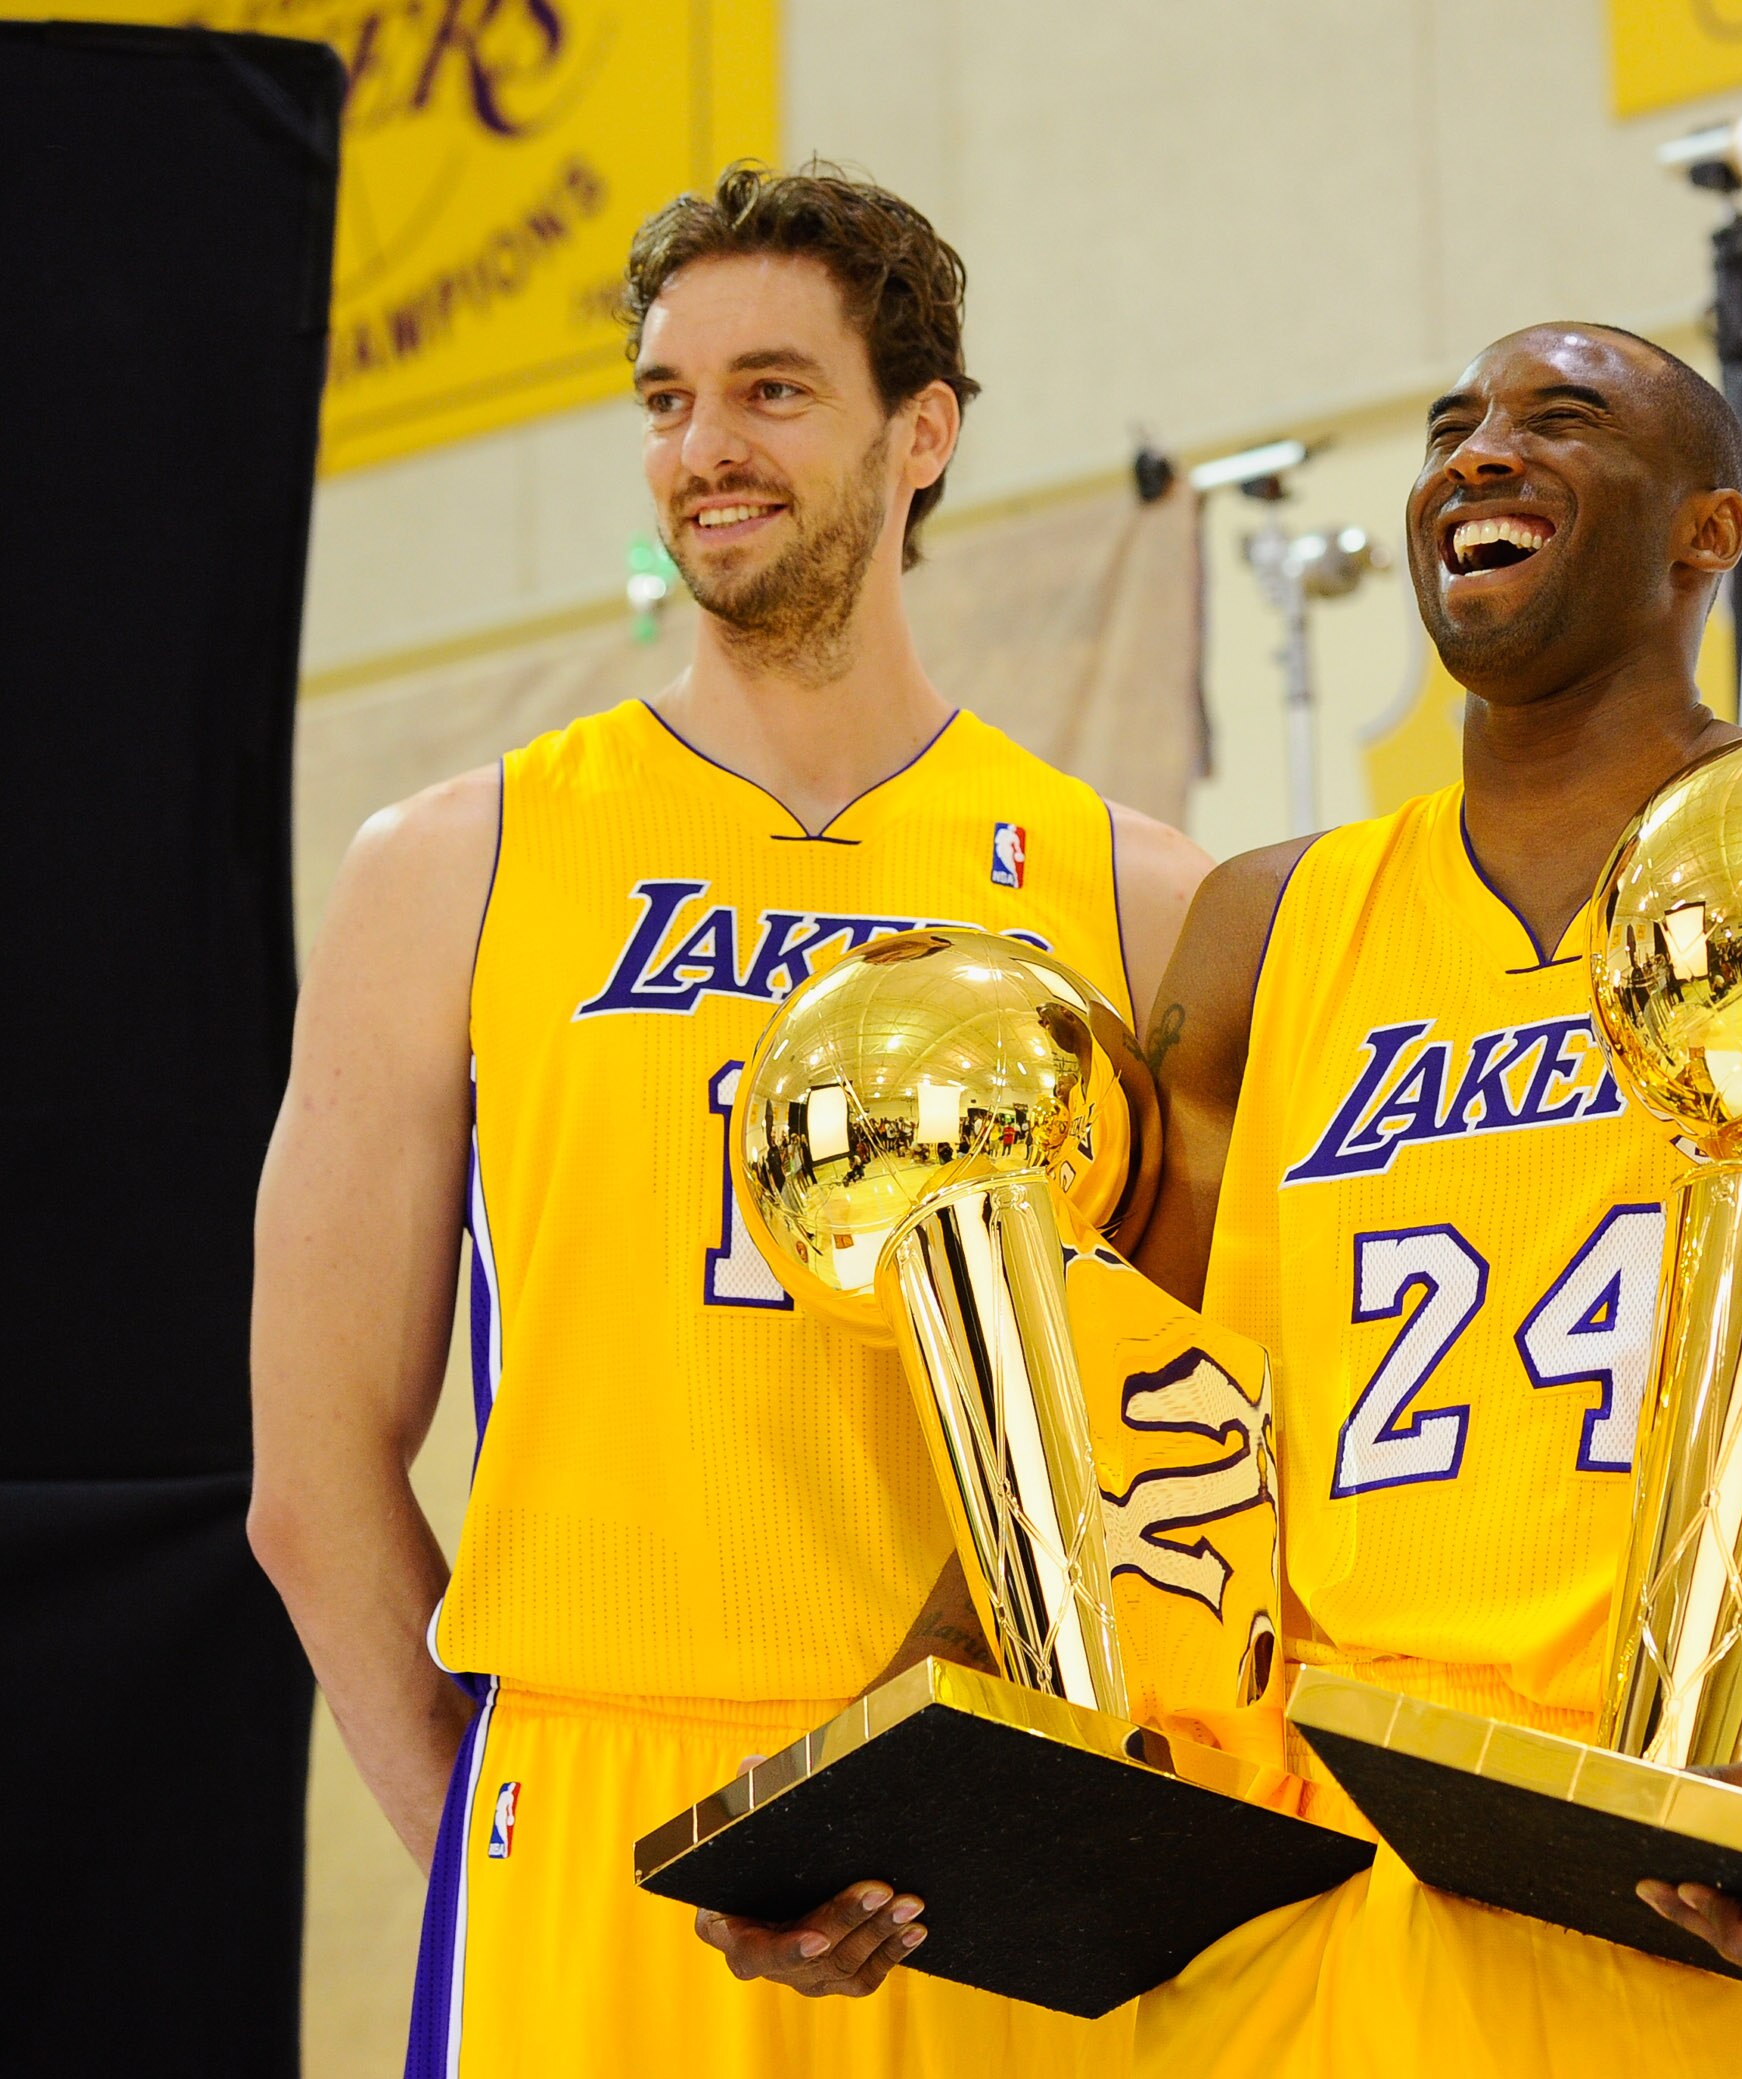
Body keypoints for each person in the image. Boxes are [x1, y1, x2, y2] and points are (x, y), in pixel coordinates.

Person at [248, 163, 1208, 2077]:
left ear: (920, 433)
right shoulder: (457, 862)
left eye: (773, 389)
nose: (708, 449)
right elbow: (311, 1474)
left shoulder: (1136, 896)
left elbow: (1175, 1448)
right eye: (670, 399)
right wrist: (472, 1839)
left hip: (967, 1825)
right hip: (589, 1812)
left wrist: (959, 1800)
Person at [1134, 323, 1742, 2075]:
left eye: (1562, 421)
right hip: (1314, 1905)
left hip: (1708, 1869)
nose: (1481, 455)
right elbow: (1122, 1402)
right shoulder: (1263, 926)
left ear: (1709, 533)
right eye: (1452, 427)